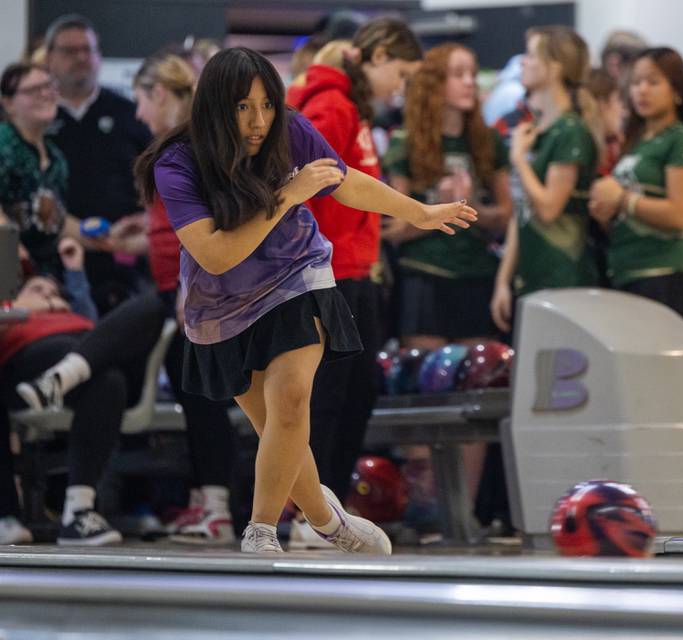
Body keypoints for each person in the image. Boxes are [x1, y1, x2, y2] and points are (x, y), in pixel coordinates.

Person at [134, 47, 477, 554]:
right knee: (275, 427)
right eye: (243, 107)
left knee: (292, 401)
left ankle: (260, 531)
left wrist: (418, 213)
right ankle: (326, 518)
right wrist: (287, 197)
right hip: (223, 299)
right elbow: (217, 255)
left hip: (297, 274)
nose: (258, 121)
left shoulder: (290, 129)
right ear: (214, 107)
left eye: (267, 105)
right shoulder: (177, 162)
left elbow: (345, 181)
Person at [287, 18, 422, 547]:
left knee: (356, 393)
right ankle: (309, 516)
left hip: (355, 270)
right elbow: (301, 179)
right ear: (379, 54)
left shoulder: (351, 105)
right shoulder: (333, 105)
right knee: (327, 399)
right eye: (401, 74)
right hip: (329, 272)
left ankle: (326, 511)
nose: (401, 89)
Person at [110, 52, 237, 544]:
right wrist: (143, 235)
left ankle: (219, 508)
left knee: (205, 400)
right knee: (192, 395)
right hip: (176, 287)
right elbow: (176, 225)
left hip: (196, 292)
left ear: (159, 93)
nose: (138, 113)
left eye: (141, 101)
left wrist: (191, 285)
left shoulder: (191, 145)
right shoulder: (180, 144)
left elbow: (207, 223)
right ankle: (207, 500)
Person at [2, 251, 163, 545]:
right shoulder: (13, 316)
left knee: (153, 306)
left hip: (86, 358)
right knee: (107, 376)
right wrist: (18, 310)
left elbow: (94, 317)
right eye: (37, 289)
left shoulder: (75, 315)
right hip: (25, 363)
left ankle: (77, 513)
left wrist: (73, 282)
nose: (48, 294)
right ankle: (56, 380)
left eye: (54, 292)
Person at [384, 43, 512, 351]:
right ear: (434, 83)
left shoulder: (488, 141)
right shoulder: (406, 142)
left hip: (476, 271)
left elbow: (505, 216)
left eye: (472, 74)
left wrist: (471, 207)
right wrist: (436, 211)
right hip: (424, 272)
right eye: (458, 74)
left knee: (478, 371)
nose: (469, 82)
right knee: (425, 371)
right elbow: (394, 230)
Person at [588, 47, 683, 342]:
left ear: (677, 89)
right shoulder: (637, 143)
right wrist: (605, 211)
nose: (641, 90)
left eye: (653, 82)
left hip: (665, 280)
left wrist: (622, 199)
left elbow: (679, 215)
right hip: (629, 276)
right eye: (635, 82)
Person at [491, 27, 603, 334]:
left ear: (554, 67)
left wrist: (518, 159)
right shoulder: (538, 130)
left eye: (530, 55)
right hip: (532, 274)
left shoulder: (570, 131)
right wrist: (503, 280)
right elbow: (522, 212)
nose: (522, 62)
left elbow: (549, 207)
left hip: (563, 274)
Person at [45, 14, 152, 311]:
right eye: (70, 51)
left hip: (123, 259)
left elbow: (158, 179)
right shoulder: (37, 115)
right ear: (49, 58)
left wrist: (149, 219)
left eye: (88, 50)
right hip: (55, 258)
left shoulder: (130, 113)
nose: (81, 58)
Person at [0, 62, 95, 280]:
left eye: (49, 86)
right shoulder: (3, 143)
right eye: (33, 90)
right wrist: (12, 264)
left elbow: (55, 220)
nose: (45, 94)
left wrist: (112, 239)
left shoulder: (56, 157)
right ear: (8, 103)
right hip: (9, 272)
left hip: (47, 272)